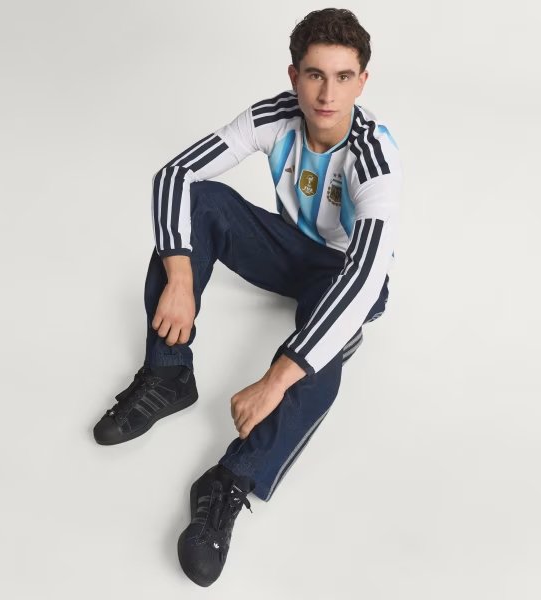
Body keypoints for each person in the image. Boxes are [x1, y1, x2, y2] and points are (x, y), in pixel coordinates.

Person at [93, 7, 402, 587]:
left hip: (348, 276)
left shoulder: (374, 157)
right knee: (201, 203)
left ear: (362, 81)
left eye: (342, 77)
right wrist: (180, 278)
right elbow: (176, 176)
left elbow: (364, 276)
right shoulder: (275, 117)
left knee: (318, 359)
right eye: (315, 75)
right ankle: (168, 374)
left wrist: (277, 377)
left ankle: (229, 480)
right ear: (293, 75)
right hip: (290, 250)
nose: (327, 94)